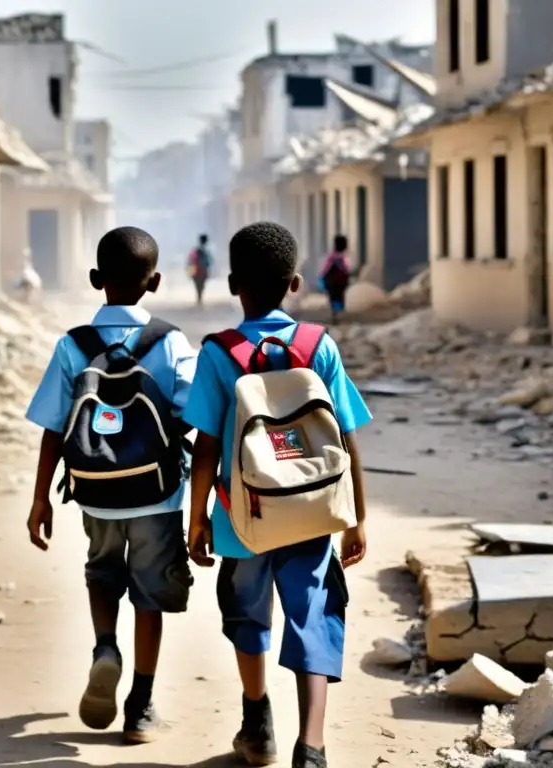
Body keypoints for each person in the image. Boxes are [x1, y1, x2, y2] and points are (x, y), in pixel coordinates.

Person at [182, 222, 371, 768]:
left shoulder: (219, 354)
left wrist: (197, 520)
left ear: (233, 283)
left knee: (247, 615)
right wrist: (356, 518)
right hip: (312, 514)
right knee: (313, 615)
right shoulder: (319, 346)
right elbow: (348, 438)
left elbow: (205, 448)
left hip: (242, 517)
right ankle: (311, 746)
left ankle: (257, 722)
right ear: (294, 284)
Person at [25, 226, 197, 744]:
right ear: (156, 281)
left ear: (96, 279)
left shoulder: (72, 345)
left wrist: (40, 499)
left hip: (95, 493)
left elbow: (55, 427)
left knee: (103, 574)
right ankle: (140, 707)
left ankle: (105, 647)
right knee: (151, 594)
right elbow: (194, 413)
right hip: (157, 495)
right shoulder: (169, 342)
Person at [319, 235, 352, 325]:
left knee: (334, 298)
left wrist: (321, 277)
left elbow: (325, 269)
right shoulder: (343, 257)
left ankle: (335, 315)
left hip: (331, 282)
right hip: (339, 282)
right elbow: (347, 269)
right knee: (339, 297)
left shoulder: (331, 256)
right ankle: (337, 315)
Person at [188, 234, 213, 306]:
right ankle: (199, 298)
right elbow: (209, 262)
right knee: (201, 285)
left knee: (198, 285)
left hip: (195, 270)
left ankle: (199, 298)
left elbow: (190, 260)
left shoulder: (195, 250)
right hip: (203, 271)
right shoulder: (206, 251)